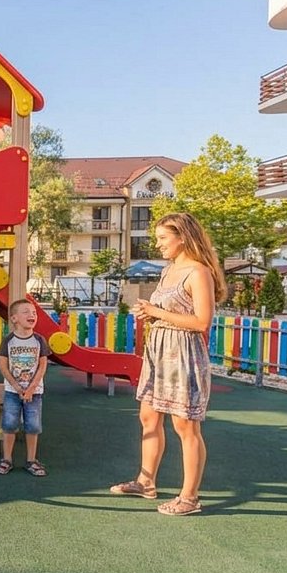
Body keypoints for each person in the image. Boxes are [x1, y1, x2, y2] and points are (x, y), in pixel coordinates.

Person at [110, 212, 227, 515]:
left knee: (185, 425)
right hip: (159, 351)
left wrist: (157, 313)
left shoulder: (198, 272)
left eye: (163, 238)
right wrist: (150, 313)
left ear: (183, 237)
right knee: (148, 417)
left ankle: (189, 497)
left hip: (183, 354)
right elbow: (170, 312)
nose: (158, 244)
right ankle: (145, 482)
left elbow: (201, 321)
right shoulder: (169, 270)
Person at [0, 298, 51, 477]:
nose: (31, 315)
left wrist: (32, 387)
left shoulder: (39, 340)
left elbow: (42, 365)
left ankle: (31, 460)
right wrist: (17, 386)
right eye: (26, 312)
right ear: (14, 319)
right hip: (13, 391)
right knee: (9, 424)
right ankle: (7, 459)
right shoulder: (9, 341)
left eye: (34, 312)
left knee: (33, 425)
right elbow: (3, 366)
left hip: (34, 392)